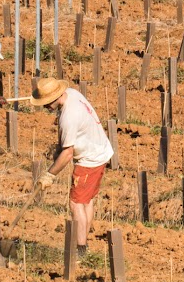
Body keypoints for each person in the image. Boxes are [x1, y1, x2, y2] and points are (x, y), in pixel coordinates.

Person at [32, 76, 113, 249]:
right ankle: (83, 241)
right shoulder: (71, 94)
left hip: (90, 159)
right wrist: (59, 147)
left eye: (46, 102)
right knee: (86, 200)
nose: (45, 106)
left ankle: (80, 248)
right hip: (100, 149)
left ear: (55, 97)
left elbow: (67, 153)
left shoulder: (69, 116)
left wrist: (49, 175)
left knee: (76, 203)